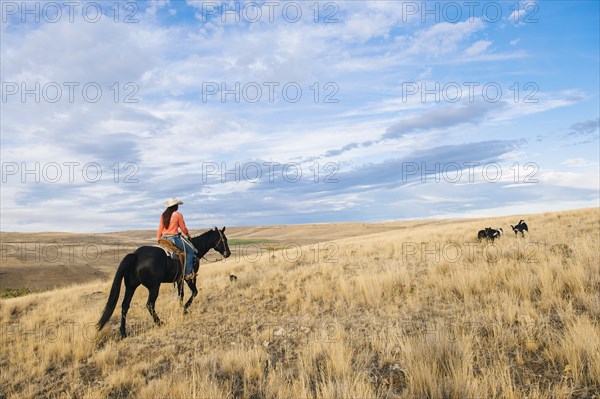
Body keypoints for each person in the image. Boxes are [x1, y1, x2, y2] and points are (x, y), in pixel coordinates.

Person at [157, 197, 196, 280]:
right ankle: (187, 274)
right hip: (173, 239)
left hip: (164, 239)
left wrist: (159, 239)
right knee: (191, 251)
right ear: (175, 206)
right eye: (177, 205)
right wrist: (188, 235)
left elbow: (160, 229)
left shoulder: (163, 215)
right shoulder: (178, 215)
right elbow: (183, 228)